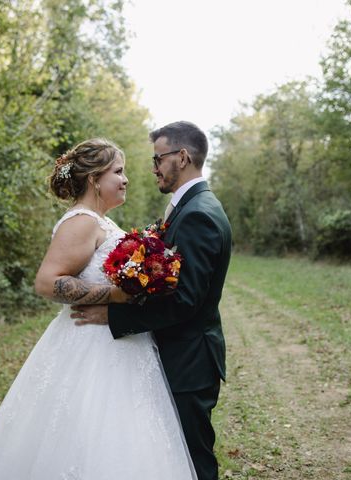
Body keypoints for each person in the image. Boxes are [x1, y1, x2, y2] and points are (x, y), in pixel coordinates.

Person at [0, 138, 197, 479]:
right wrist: (114, 295)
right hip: (91, 348)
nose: (126, 179)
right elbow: (47, 282)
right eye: (118, 171)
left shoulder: (101, 222)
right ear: (94, 180)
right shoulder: (82, 221)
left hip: (120, 344)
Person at [73, 122, 232, 480]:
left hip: (189, 360)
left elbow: (184, 301)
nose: (153, 168)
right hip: (180, 354)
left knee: (193, 459)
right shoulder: (189, 207)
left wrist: (113, 316)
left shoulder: (198, 214)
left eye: (157, 159)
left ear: (183, 157)